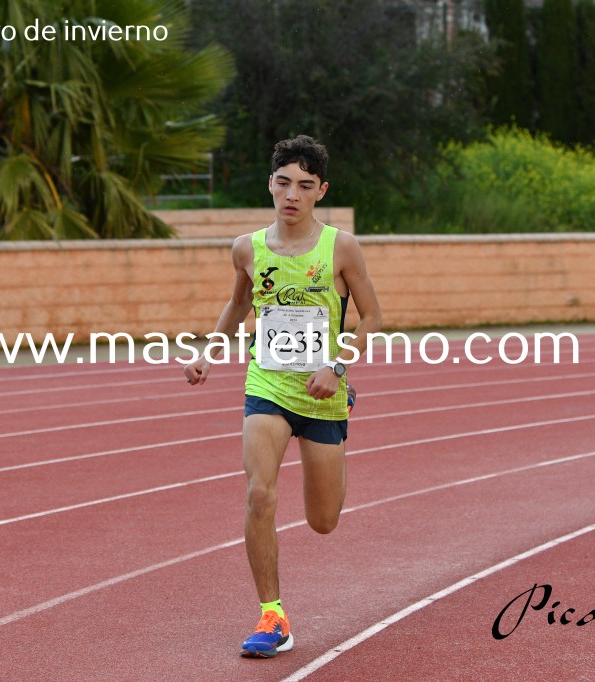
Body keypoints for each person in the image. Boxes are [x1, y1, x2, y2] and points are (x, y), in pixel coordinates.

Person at [183, 136, 382, 657]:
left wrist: (337, 367)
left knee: (323, 521)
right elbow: (237, 305)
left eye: (305, 186)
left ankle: (343, 409)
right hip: (267, 385)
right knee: (259, 494)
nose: (292, 194)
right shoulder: (247, 248)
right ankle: (272, 616)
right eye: (284, 182)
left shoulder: (341, 247)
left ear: (321, 191)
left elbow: (373, 317)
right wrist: (208, 354)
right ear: (269, 184)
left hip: (322, 392)